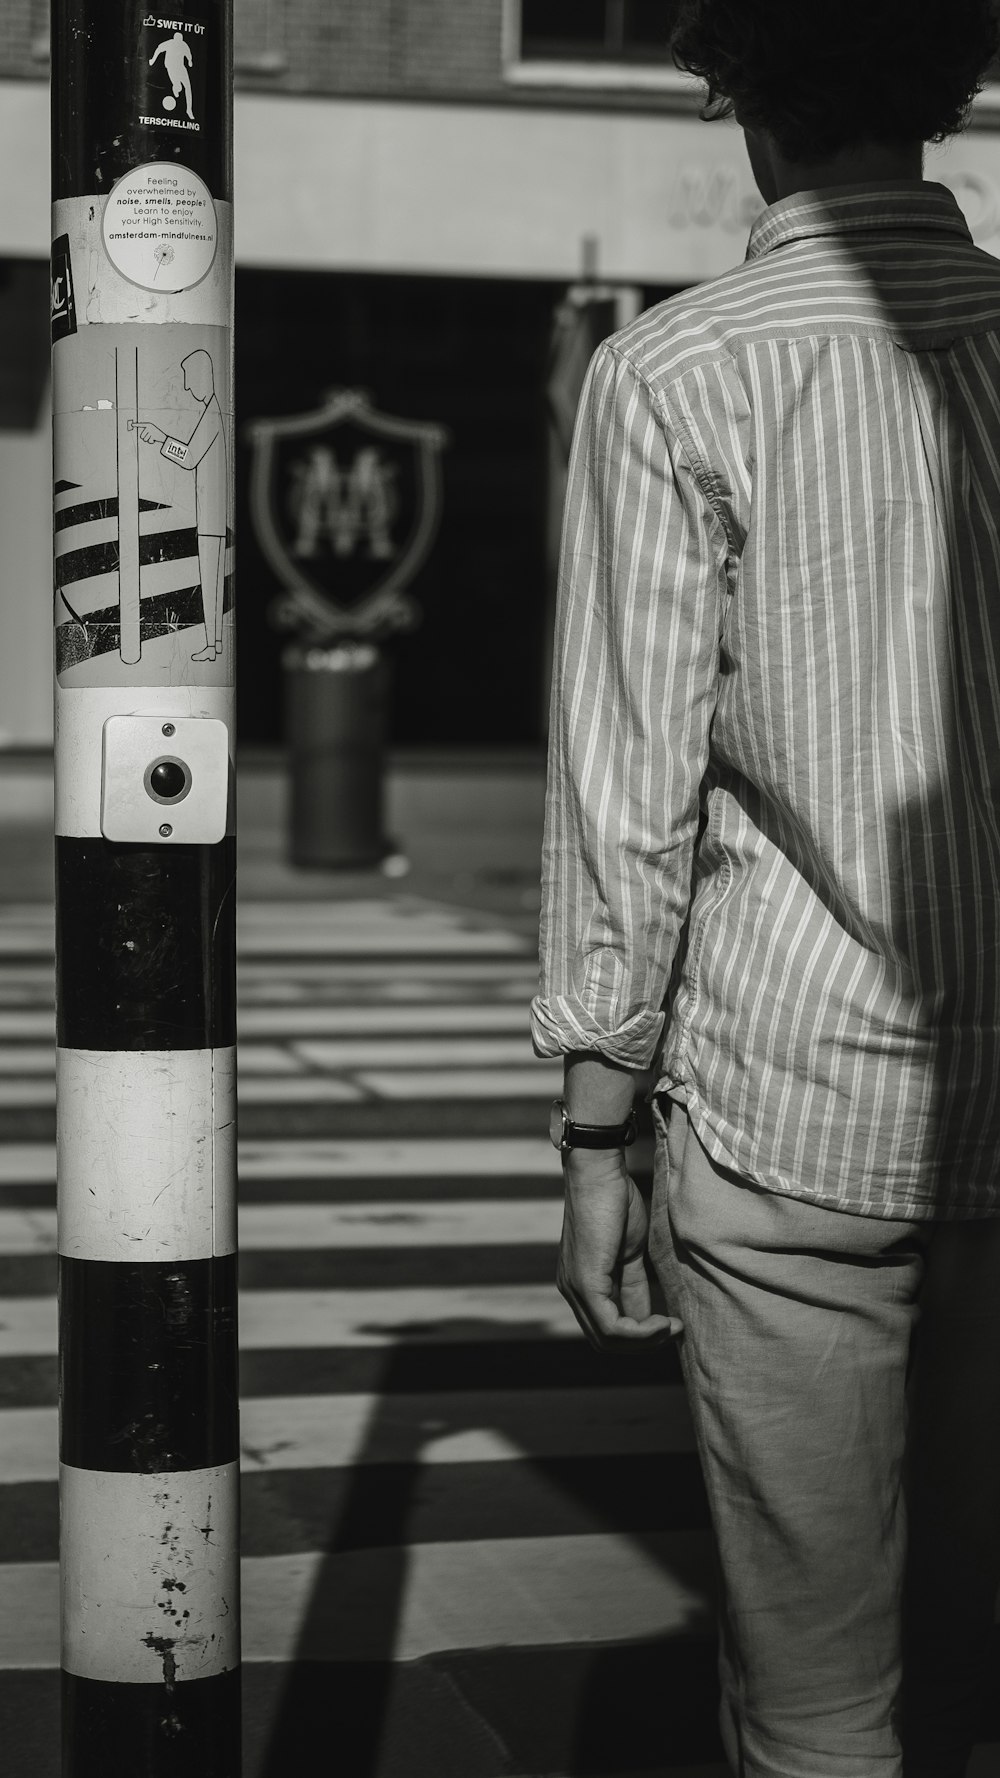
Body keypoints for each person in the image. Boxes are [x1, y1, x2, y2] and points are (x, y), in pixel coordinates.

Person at [530, 4, 1000, 1774]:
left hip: (787, 1099)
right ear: (953, 92)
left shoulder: (676, 375)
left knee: (816, 1694)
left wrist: (597, 1132)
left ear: (732, 91)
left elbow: (627, 785)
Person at [139, 350, 228, 662]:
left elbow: (189, 458)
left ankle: (212, 644)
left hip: (211, 517)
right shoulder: (215, 411)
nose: (189, 388)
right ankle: (214, 644)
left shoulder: (213, 413)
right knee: (214, 582)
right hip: (213, 514)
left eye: (191, 380)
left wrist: (161, 438)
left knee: (211, 580)